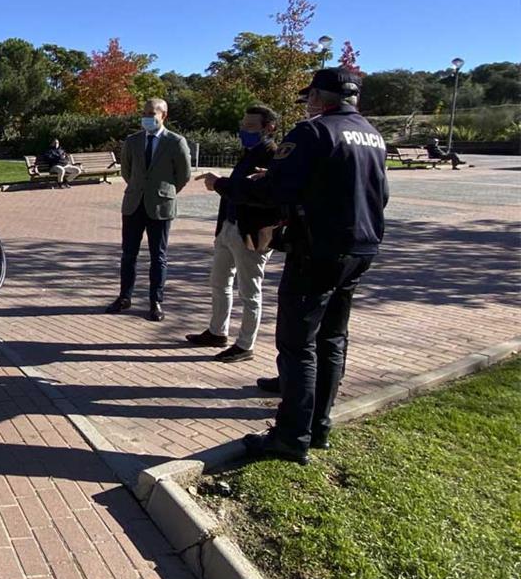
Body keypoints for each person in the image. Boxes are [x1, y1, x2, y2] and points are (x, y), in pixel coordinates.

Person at [200, 68, 389, 465]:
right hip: (361, 246)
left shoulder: (313, 131)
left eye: (308, 98)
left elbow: (274, 190)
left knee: (298, 343)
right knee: (332, 338)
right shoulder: (371, 134)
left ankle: (290, 436)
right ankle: (318, 423)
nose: (305, 104)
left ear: (321, 97)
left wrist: (224, 185)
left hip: (318, 249)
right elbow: (379, 192)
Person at [186, 105, 281, 363]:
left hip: (251, 235)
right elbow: (240, 187)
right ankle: (217, 331)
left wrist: (220, 182)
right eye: (243, 125)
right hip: (229, 227)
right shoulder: (249, 153)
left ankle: (245, 345)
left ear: (269, 127)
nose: (244, 131)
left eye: (250, 126)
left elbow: (258, 194)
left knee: (249, 292)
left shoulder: (273, 155)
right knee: (219, 283)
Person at [105, 98, 191, 321]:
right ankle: (124, 297)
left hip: (160, 205)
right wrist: (138, 188)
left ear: (164, 115)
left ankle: (156, 302)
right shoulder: (133, 141)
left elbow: (183, 175)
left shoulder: (176, 141)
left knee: (158, 256)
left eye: (151, 113)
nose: (146, 117)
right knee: (128, 254)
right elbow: (127, 171)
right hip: (134, 204)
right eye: (144, 113)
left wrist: (164, 191)